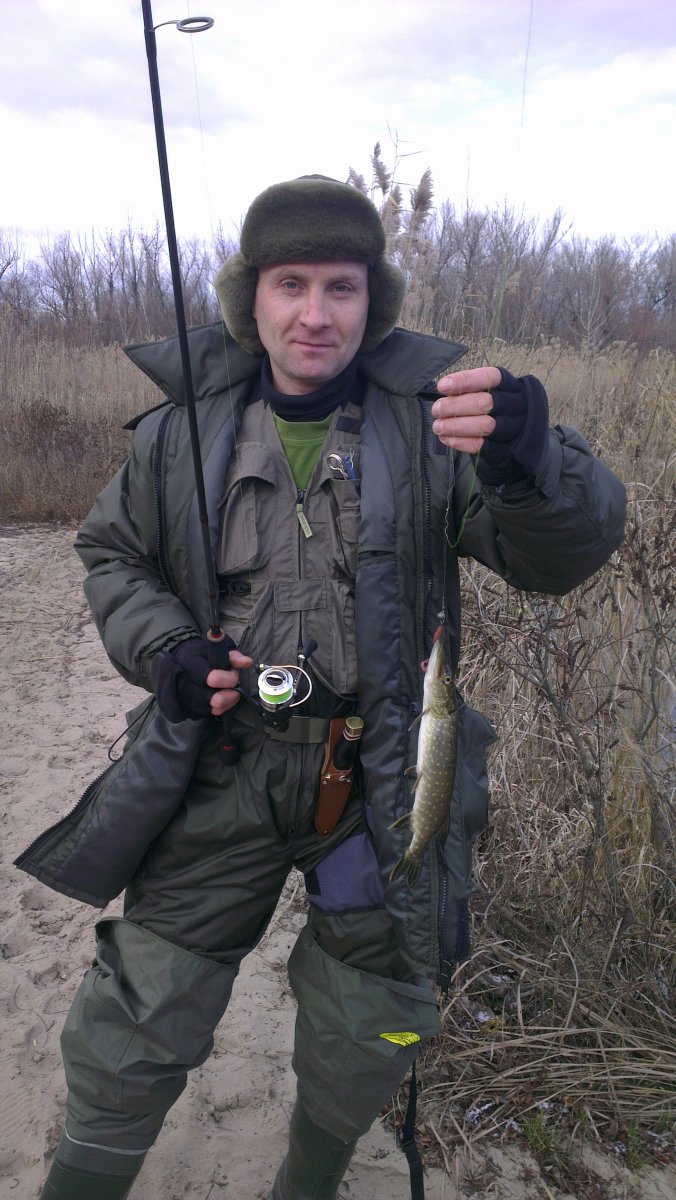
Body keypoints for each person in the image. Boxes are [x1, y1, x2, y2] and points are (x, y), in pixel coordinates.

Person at [20, 175, 626, 1200]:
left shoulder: (437, 430)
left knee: (366, 1029)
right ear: (248, 298)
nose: (314, 313)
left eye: (341, 287)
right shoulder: (178, 433)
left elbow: (556, 557)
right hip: (219, 772)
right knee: (135, 1015)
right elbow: (112, 555)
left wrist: (534, 462)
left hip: (378, 787)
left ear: (371, 301)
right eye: (290, 284)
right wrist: (167, 647)